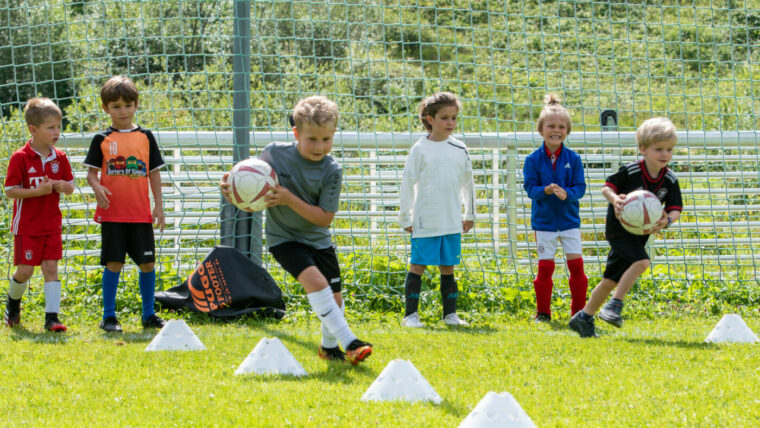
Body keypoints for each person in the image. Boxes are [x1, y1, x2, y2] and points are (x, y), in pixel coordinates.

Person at [220, 96, 372, 365]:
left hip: (319, 240)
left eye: (326, 139)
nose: (320, 146)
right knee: (316, 283)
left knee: (335, 300)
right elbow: (252, 185)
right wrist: (233, 188)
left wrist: (289, 199)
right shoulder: (274, 154)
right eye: (312, 139)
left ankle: (329, 348)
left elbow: (324, 219)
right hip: (285, 239)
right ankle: (351, 342)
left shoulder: (332, 171)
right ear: (296, 133)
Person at [569, 117, 682, 337]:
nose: (665, 154)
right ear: (643, 149)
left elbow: (676, 208)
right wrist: (615, 199)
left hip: (640, 234)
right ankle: (614, 306)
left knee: (610, 280)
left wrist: (666, 220)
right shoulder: (631, 171)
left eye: (669, 149)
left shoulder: (670, 179)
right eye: (659, 149)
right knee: (642, 262)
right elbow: (607, 188)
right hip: (619, 230)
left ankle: (583, 317)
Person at [84, 75, 166, 333]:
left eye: (128, 105)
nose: (123, 111)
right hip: (113, 215)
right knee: (113, 264)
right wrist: (96, 187)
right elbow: (90, 174)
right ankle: (109, 317)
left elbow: (154, 172)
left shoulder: (146, 137)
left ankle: (149, 314)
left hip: (140, 215)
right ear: (106, 108)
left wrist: (159, 206)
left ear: (137, 105)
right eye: (116, 106)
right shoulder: (102, 139)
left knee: (148, 264)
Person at [398, 91, 475, 328]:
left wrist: (469, 213)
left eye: (454, 118)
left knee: (448, 267)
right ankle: (410, 316)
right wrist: (405, 216)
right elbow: (407, 183)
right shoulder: (419, 149)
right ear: (429, 119)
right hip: (425, 219)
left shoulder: (460, 148)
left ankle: (450, 315)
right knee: (418, 265)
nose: (450, 123)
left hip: (451, 219)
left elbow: (468, 183)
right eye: (444, 118)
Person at [3, 97, 74, 332]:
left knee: (51, 268)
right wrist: (38, 191)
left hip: (51, 224)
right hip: (27, 226)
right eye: (50, 127)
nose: (57, 132)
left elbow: (71, 186)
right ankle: (12, 304)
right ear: (33, 130)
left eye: (58, 126)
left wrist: (63, 186)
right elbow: (10, 191)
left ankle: (52, 318)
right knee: (25, 270)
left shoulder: (60, 157)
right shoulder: (20, 158)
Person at [523, 94, 588, 323]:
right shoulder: (532, 159)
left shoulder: (574, 158)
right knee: (545, 270)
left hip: (569, 222)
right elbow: (530, 188)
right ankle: (543, 313)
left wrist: (567, 194)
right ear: (541, 129)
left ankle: (579, 314)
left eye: (561, 126)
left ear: (567, 130)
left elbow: (580, 188)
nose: (556, 130)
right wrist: (546, 191)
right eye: (551, 125)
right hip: (544, 223)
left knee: (577, 268)